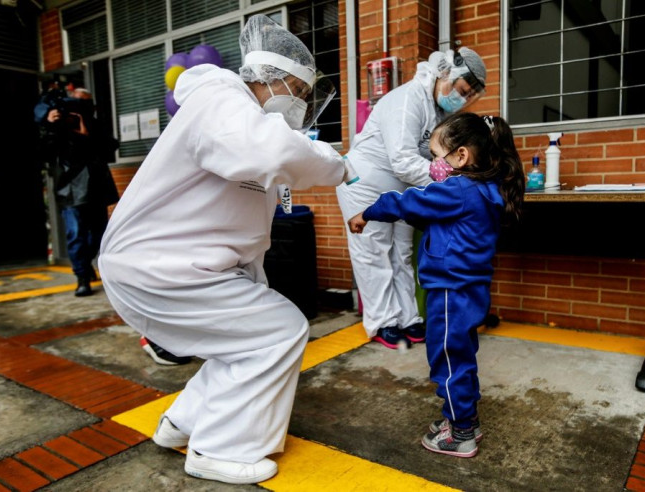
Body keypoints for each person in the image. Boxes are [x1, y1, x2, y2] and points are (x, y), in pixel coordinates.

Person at [98, 15, 350, 485]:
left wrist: (251, 286)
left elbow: (242, 230)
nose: (300, 103)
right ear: (274, 79)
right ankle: (220, 449)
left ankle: (181, 424)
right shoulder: (222, 99)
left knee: (244, 342)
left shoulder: (242, 121)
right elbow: (268, 153)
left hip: (175, 267)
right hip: (159, 266)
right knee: (278, 332)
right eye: (298, 90)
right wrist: (337, 164)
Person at [347, 112, 525, 458]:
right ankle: (462, 417)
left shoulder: (459, 189)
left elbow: (408, 201)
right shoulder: (483, 190)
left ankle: (461, 432)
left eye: (435, 156)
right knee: (461, 354)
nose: (433, 164)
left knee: (446, 358)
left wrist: (368, 212)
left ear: (461, 156)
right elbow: (429, 214)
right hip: (467, 290)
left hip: (449, 291)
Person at [336, 47, 487, 349]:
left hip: (403, 187)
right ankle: (382, 322)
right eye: (461, 89)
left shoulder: (439, 111)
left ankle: (408, 318)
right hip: (365, 180)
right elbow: (403, 159)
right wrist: (449, 181)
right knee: (374, 252)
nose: (461, 98)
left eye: (468, 95)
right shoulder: (408, 99)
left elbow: (427, 159)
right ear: (446, 73)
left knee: (402, 253)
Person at [36, 86, 119, 296]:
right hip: (69, 188)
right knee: (76, 235)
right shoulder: (56, 125)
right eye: (77, 101)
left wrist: (86, 135)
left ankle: (85, 264)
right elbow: (45, 153)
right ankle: (82, 277)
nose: (80, 106)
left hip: (96, 187)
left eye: (85, 102)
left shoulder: (95, 124)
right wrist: (49, 124)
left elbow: (111, 148)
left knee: (99, 234)